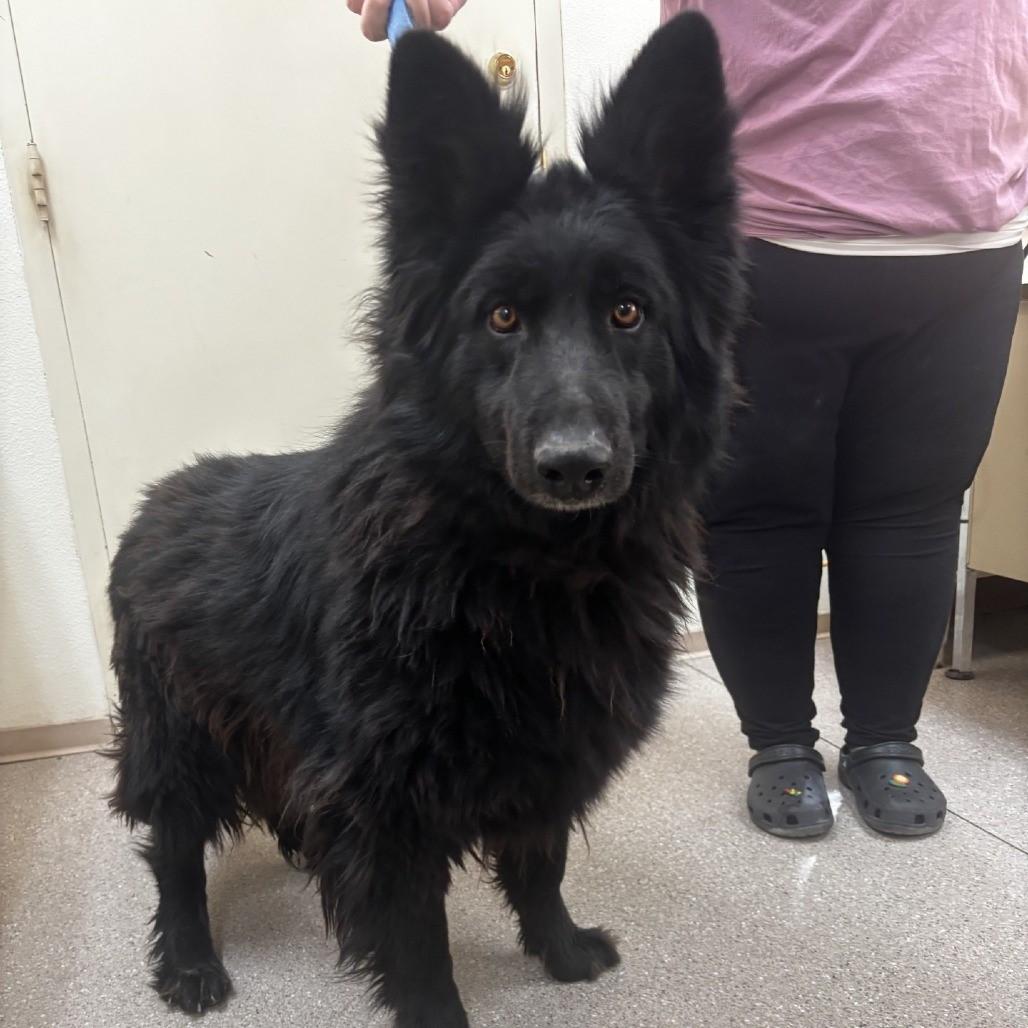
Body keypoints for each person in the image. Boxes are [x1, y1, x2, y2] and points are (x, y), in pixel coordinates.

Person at [347, 0, 1028, 839]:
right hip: (787, 212)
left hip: (967, 212)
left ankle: (887, 738)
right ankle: (779, 745)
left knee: (913, 510)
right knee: (757, 510)